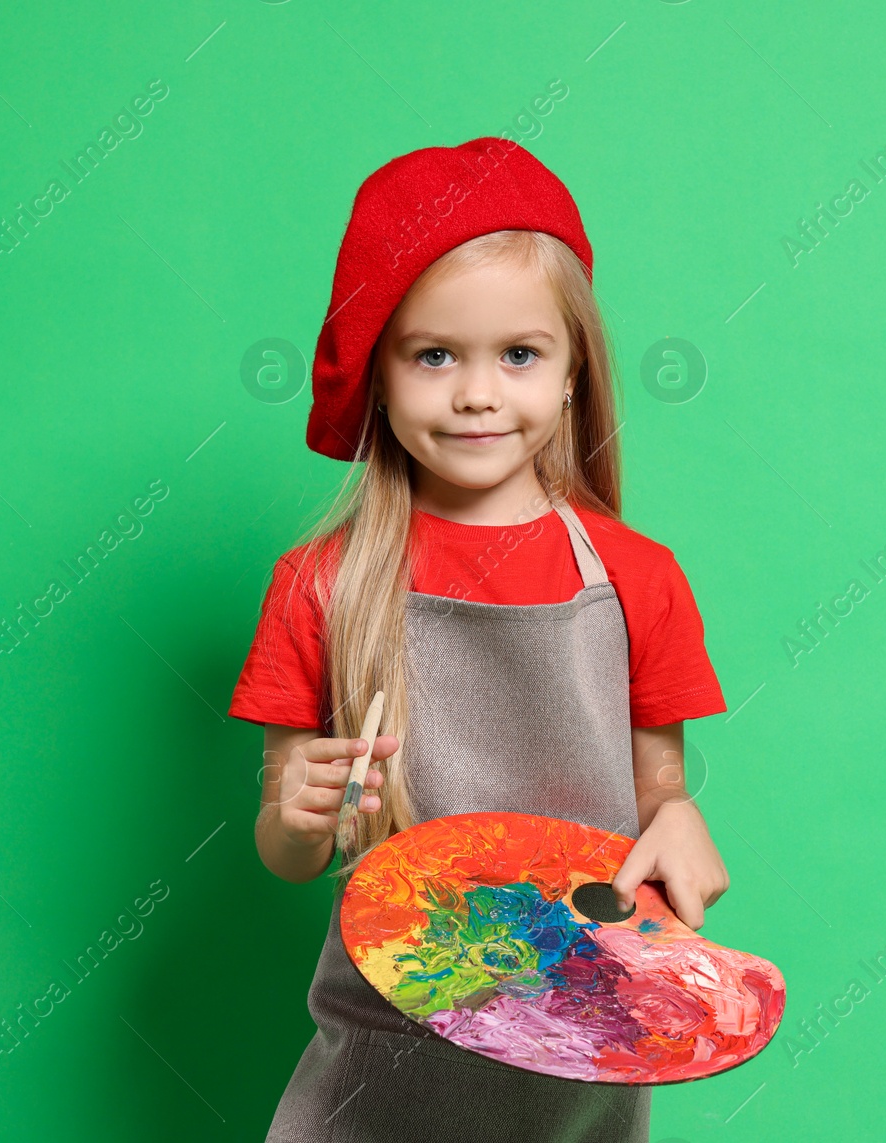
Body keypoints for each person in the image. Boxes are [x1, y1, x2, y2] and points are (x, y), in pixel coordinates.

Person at [229, 136, 731, 1143]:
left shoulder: (638, 577)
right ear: (377, 375)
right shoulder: (320, 584)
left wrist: (678, 828)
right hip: (388, 1042)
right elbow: (286, 854)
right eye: (433, 356)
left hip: (578, 1038)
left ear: (574, 372)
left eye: (517, 354)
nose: (475, 393)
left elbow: (659, 792)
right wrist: (298, 812)